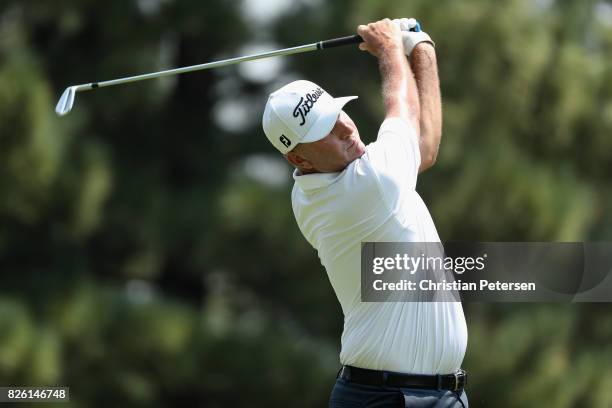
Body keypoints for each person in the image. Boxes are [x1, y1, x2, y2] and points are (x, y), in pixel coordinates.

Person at [262, 18, 468, 407]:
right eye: (326, 128)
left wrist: (422, 47)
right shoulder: (366, 185)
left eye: (337, 112)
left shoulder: (330, 184)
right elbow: (401, 109)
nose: (344, 127)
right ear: (298, 156)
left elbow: (422, 149)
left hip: (441, 395)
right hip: (383, 398)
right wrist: (390, 48)